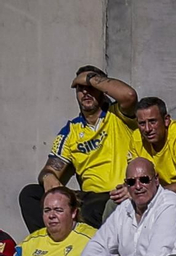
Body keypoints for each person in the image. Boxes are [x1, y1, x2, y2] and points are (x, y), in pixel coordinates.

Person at [27, 67, 140, 230]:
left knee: (94, 208)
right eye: (81, 89)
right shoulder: (71, 130)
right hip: (87, 197)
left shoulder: (118, 115)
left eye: (92, 88)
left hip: (116, 194)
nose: (86, 93)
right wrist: (48, 177)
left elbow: (129, 95)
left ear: (103, 89)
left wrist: (88, 78)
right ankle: (48, 245)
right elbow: (49, 170)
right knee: (30, 194)